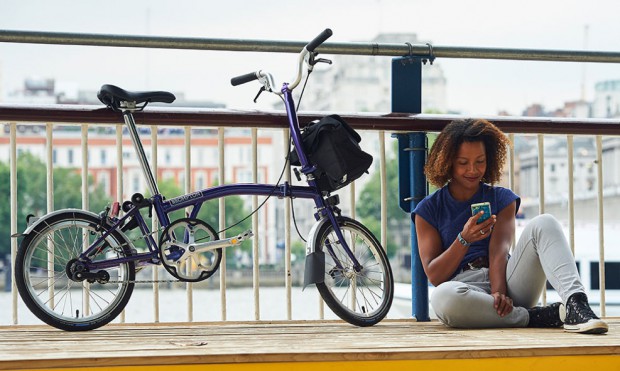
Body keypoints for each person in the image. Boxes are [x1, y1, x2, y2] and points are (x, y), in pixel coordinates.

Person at [412, 118, 608, 334]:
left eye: (480, 161)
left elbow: (499, 252)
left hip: (509, 282)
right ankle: (532, 317)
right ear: (447, 161)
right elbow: (435, 276)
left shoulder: (502, 198)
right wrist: (464, 239)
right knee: (442, 297)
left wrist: (499, 292)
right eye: (463, 162)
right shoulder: (428, 210)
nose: (472, 170)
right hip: (464, 289)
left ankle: (576, 304)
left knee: (545, 223)